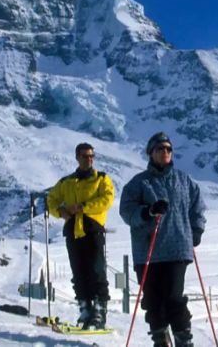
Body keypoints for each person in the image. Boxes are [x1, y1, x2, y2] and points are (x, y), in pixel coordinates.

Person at [120, 132, 206, 347]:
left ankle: (183, 339)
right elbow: (126, 211)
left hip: (178, 248)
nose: (165, 152)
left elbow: (198, 206)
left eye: (168, 149)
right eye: (160, 149)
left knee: (174, 297)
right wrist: (148, 211)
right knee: (152, 300)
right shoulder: (139, 183)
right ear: (151, 153)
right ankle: (160, 338)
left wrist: (196, 229)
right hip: (147, 250)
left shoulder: (184, 180)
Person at [46, 142, 115, 329]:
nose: (89, 159)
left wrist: (84, 208)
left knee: (97, 271)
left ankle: (100, 311)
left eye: (91, 155)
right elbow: (51, 199)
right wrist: (60, 212)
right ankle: (85, 308)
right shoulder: (66, 182)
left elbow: (107, 199)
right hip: (73, 232)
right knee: (79, 272)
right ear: (77, 157)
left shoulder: (101, 178)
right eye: (85, 156)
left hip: (93, 230)